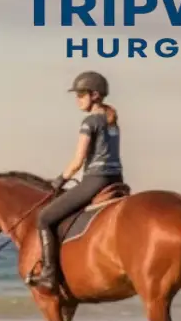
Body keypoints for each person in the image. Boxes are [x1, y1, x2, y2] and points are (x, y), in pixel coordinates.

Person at [28, 70, 125, 293]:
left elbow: (78, 161)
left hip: (95, 180)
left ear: (95, 96)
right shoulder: (112, 121)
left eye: (81, 94)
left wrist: (60, 180)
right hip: (115, 179)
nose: (77, 99)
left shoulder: (90, 121)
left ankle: (49, 276)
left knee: (44, 218)